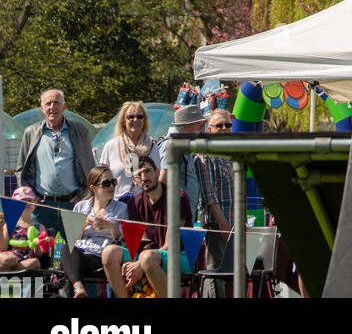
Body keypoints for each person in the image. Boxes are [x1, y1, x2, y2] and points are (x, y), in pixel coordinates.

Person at [16, 89, 95, 235]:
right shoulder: (31, 133)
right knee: (41, 249)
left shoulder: (79, 131)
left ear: (64, 106)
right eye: (48, 103)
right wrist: (30, 197)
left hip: (73, 204)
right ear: (42, 108)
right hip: (42, 205)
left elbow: (90, 167)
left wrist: (84, 196)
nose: (52, 107)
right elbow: (21, 169)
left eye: (56, 103)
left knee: (73, 249)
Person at [124, 155, 193, 298]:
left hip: (180, 256)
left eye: (147, 171)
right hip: (149, 255)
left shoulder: (177, 196)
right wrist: (135, 263)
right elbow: (144, 243)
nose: (144, 177)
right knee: (110, 253)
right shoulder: (134, 204)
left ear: (157, 171)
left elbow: (170, 244)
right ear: (134, 181)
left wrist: (140, 264)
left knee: (147, 258)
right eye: (139, 174)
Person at [60, 164, 128, 299]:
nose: (112, 187)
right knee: (67, 248)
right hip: (82, 251)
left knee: (71, 266)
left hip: (104, 253)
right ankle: (79, 287)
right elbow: (73, 239)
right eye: (106, 183)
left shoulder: (121, 208)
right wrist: (81, 226)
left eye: (113, 182)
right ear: (93, 188)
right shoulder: (81, 206)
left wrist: (111, 227)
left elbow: (124, 241)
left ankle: (77, 288)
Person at [196, 108, 235, 297]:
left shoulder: (232, 155)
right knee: (215, 273)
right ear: (209, 129)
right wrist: (223, 224)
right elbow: (209, 196)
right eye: (219, 125)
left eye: (227, 125)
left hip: (235, 223)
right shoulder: (205, 155)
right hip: (216, 224)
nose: (224, 128)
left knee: (231, 273)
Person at [100, 101, 161, 200]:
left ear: (144, 120)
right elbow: (102, 179)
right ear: (123, 121)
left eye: (139, 117)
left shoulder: (153, 146)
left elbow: (157, 177)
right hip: (117, 205)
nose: (135, 120)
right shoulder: (111, 146)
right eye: (131, 117)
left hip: (145, 203)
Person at [158, 104, 206, 218]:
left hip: (183, 216)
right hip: (175, 218)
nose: (202, 128)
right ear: (189, 126)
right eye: (200, 125)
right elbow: (163, 179)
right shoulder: (173, 145)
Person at [0, 185, 51, 273]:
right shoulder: (9, 223)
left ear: (34, 204)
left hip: (26, 261)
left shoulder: (40, 227)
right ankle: (8, 270)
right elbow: (3, 248)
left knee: (36, 262)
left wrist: (38, 242)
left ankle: (7, 272)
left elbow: (38, 255)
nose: (27, 203)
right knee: (9, 259)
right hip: (10, 256)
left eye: (30, 200)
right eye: (23, 201)